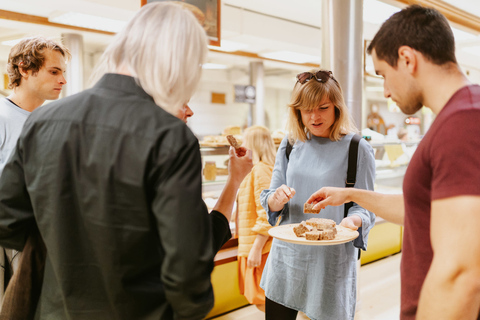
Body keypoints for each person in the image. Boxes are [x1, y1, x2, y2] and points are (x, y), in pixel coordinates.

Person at [0, 2, 252, 320]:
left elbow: (6, 221)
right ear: (179, 59)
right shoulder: (169, 135)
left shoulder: (44, 119)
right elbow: (187, 274)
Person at [307, 5, 480, 320]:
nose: (385, 91)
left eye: (384, 75)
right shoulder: (461, 116)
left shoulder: (463, 123)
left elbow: (461, 274)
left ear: (407, 59)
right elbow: (422, 210)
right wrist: (351, 194)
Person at [259, 69, 376, 320]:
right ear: (297, 111)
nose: (314, 116)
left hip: (330, 264)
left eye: (322, 107)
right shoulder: (290, 144)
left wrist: (352, 222)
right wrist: (275, 199)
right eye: (306, 109)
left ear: (337, 107)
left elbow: (364, 207)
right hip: (287, 260)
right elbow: (270, 195)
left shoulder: (357, 149)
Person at [0, 36, 70, 304]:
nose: (62, 80)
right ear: (24, 68)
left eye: (63, 72)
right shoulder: (2, 117)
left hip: (42, 236)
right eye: (54, 71)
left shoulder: (48, 122)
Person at [236, 125, 276, 312]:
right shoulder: (259, 170)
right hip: (253, 245)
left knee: (263, 300)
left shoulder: (260, 171)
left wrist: (256, 248)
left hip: (260, 247)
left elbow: (267, 214)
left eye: (245, 142)